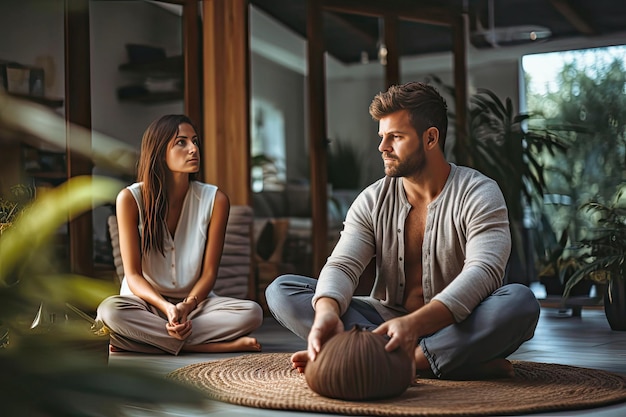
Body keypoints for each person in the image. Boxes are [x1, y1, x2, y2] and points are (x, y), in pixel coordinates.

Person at [265, 82, 540, 379]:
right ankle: (439, 360)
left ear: (431, 138)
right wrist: (326, 314)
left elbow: (484, 271)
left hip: (459, 322)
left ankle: (369, 357)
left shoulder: (479, 193)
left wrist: (414, 326)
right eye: (382, 137)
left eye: (395, 137)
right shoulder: (372, 199)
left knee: (519, 302)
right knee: (282, 290)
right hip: (385, 318)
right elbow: (343, 265)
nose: (382, 147)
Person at [97, 114, 263, 354]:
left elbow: (208, 273)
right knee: (109, 311)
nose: (193, 149)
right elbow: (132, 275)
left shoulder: (216, 200)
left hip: (195, 306)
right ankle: (209, 347)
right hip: (145, 304)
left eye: (195, 141)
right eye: (181, 142)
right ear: (158, 152)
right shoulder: (130, 199)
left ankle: (139, 343)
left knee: (252, 313)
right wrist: (166, 308)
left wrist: (185, 307)